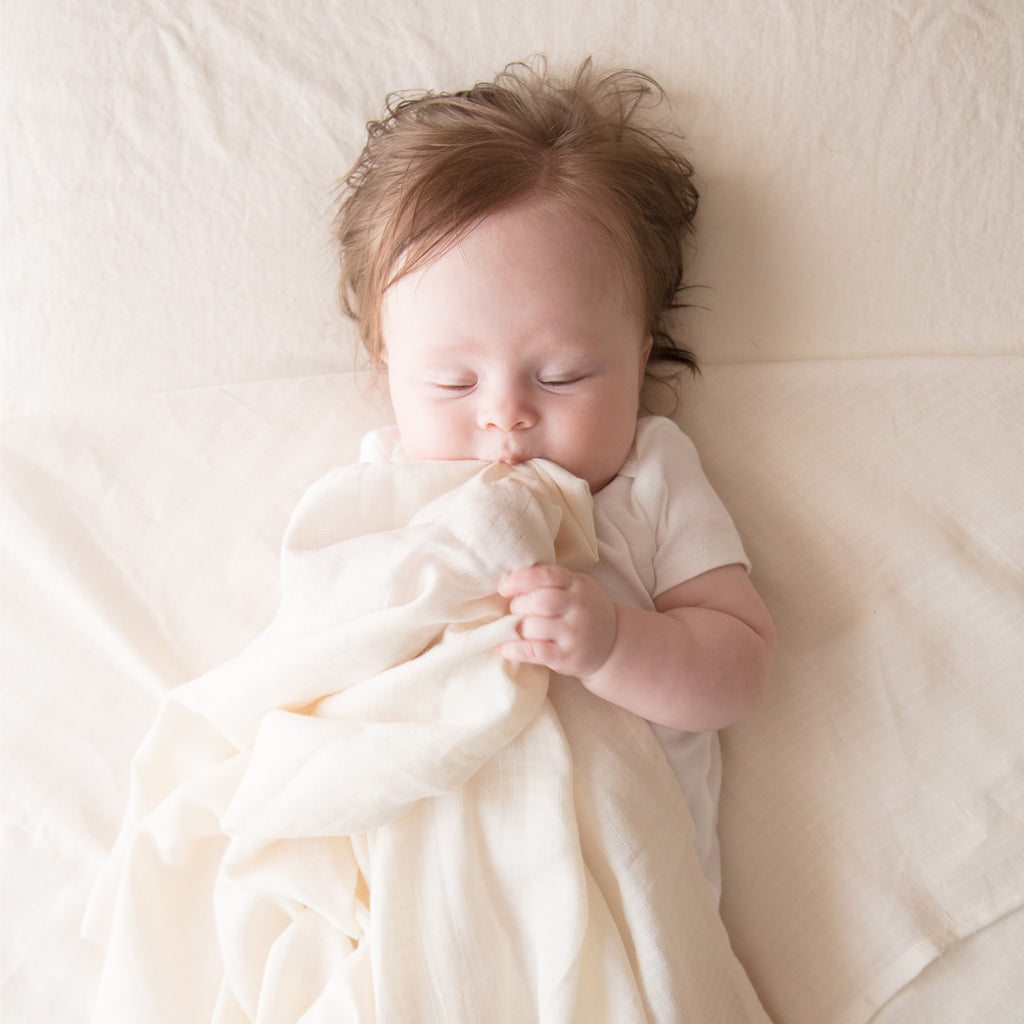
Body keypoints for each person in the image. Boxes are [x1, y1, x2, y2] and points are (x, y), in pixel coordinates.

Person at [332, 57, 775, 898]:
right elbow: (325, 661)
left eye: (564, 374)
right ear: (388, 369)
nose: (504, 415)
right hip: (437, 878)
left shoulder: (648, 476)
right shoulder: (384, 488)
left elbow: (739, 668)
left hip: (621, 884)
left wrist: (615, 642)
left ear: (640, 359)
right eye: (452, 384)